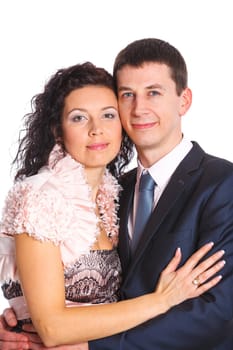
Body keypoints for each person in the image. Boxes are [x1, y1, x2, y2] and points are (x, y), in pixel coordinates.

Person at [0, 60, 225, 350]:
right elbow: (52, 328)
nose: (97, 130)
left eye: (108, 115)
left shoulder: (116, 192)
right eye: (79, 118)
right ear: (57, 129)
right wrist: (161, 300)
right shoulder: (41, 197)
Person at [88, 38, 233, 350]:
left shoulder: (223, 183)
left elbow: (218, 312)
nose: (139, 109)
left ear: (184, 100)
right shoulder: (114, 188)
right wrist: (27, 320)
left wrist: (92, 346)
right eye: (128, 95)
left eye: (153, 92)